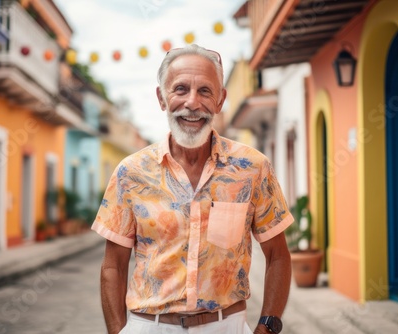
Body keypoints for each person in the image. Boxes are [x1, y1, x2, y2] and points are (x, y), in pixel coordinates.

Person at [92, 44, 293, 334]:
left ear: (221, 99)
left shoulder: (253, 168)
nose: (192, 103)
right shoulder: (131, 173)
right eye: (181, 89)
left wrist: (267, 327)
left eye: (205, 91)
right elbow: (113, 266)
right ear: (162, 98)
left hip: (227, 326)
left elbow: (278, 256)